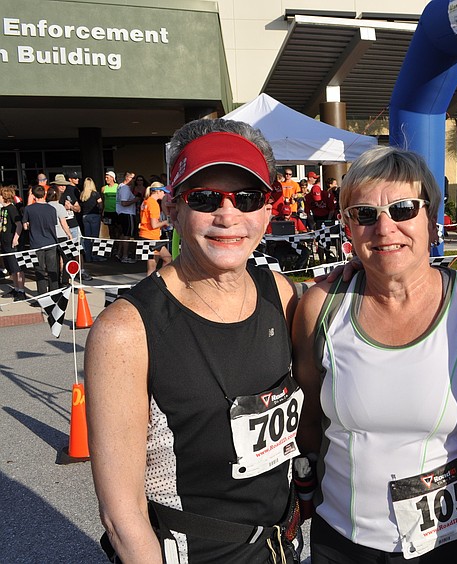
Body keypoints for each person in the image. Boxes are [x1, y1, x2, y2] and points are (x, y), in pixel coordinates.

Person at [86, 119, 302, 563]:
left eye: (247, 198)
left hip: (280, 547)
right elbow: (121, 516)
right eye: (204, 198)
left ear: (268, 210)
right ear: (171, 209)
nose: (228, 216)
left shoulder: (278, 293)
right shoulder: (125, 330)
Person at [294, 145, 457, 563]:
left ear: (432, 218)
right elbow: (309, 424)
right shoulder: (321, 306)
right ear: (348, 228)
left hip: (450, 543)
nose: (385, 229)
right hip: (342, 541)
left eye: (404, 209)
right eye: (365, 214)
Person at [22, 185, 66, 294]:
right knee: (52, 269)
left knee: (39, 270)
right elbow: (54, 224)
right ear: (44, 194)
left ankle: (42, 296)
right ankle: (54, 294)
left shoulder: (28, 209)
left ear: (33, 195)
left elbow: (25, 226)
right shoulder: (52, 209)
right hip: (51, 242)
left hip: (36, 243)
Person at [138, 182, 173, 276]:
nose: (165, 194)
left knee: (153, 265)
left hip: (146, 235)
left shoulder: (146, 201)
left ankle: (154, 282)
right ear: (158, 191)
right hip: (151, 237)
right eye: (163, 192)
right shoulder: (153, 204)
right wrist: (166, 222)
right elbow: (154, 225)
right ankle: (158, 281)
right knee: (167, 258)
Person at [1, 185, 26, 300]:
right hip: (5, 242)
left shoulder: (11, 209)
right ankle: (16, 288)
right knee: (11, 268)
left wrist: (16, 238)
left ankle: (21, 290)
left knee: (17, 268)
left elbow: (19, 225)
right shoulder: (3, 209)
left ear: (4, 196)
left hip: (12, 243)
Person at [116, 171, 140, 262]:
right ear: (127, 178)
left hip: (122, 213)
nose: (134, 180)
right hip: (127, 213)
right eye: (132, 178)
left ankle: (120, 253)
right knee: (127, 235)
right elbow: (124, 203)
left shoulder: (121, 187)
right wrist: (135, 200)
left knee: (123, 234)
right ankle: (125, 256)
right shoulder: (125, 188)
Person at [79, 177, 104, 262]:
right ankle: (95, 256)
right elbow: (100, 204)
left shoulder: (82, 194)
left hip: (85, 216)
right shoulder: (95, 194)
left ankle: (88, 256)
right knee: (95, 238)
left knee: (87, 237)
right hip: (94, 215)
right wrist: (100, 211)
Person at [102, 171, 121, 240]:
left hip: (116, 211)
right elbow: (103, 200)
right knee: (110, 229)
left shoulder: (118, 187)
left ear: (112, 178)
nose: (106, 179)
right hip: (107, 212)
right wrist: (102, 211)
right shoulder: (104, 188)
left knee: (118, 228)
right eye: (105, 178)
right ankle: (112, 245)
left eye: (107, 177)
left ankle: (118, 244)